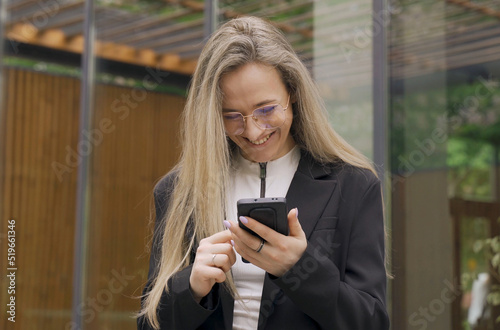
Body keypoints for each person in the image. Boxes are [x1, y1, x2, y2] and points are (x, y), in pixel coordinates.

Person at [137, 16, 389, 330]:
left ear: (293, 93)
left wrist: (299, 269)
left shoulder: (353, 186)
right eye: (232, 116)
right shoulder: (177, 191)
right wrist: (191, 286)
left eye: (266, 109)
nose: (253, 131)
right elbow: (150, 325)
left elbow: (372, 322)